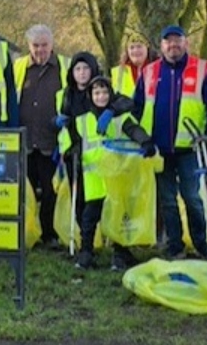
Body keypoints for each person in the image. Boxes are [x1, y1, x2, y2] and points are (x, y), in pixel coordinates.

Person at [134, 25, 207, 260]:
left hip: (190, 147)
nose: (172, 45)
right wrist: (141, 138)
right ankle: (174, 245)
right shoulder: (149, 72)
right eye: (168, 41)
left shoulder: (203, 69)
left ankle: (200, 243)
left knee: (193, 198)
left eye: (177, 40)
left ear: (186, 43)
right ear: (161, 45)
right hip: (159, 148)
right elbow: (137, 106)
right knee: (167, 200)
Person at [62, 76, 155, 270]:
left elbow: (134, 130)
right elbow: (75, 140)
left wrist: (146, 141)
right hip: (94, 178)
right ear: (90, 96)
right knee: (89, 217)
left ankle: (120, 254)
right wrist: (71, 151)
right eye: (96, 92)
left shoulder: (120, 117)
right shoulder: (83, 120)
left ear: (110, 94)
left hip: (117, 177)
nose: (101, 96)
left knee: (118, 216)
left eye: (104, 92)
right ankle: (86, 252)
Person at [14, 25, 68, 248]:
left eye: (44, 45)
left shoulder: (64, 67)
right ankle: (27, 235)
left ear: (52, 44)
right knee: (24, 193)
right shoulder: (18, 67)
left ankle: (49, 235)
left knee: (49, 192)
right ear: (28, 46)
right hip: (24, 141)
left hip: (51, 142)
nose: (40, 50)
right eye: (35, 46)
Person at [55, 51, 101, 230]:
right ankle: (84, 238)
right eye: (78, 69)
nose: (82, 73)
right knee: (79, 196)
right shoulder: (64, 95)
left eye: (86, 68)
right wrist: (56, 121)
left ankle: (97, 235)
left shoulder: (99, 91)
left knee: (96, 197)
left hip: (95, 154)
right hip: (72, 152)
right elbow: (58, 117)